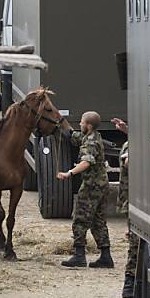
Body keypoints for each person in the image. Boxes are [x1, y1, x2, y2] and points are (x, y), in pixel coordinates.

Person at [57, 111, 111, 268]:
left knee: (80, 219)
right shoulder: (94, 136)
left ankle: (79, 255)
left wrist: (69, 173)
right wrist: (62, 125)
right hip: (101, 185)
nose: (79, 124)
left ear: (88, 125)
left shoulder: (90, 143)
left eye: (81, 122)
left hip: (91, 186)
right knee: (98, 221)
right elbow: (75, 137)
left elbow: (86, 162)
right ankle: (106, 256)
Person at [112, 118, 137, 298]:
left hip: (135, 202)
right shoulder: (132, 144)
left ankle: (130, 283)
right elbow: (128, 162)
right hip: (134, 202)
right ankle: (129, 283)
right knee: (134, 244)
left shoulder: (133, 143)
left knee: (135, 244)